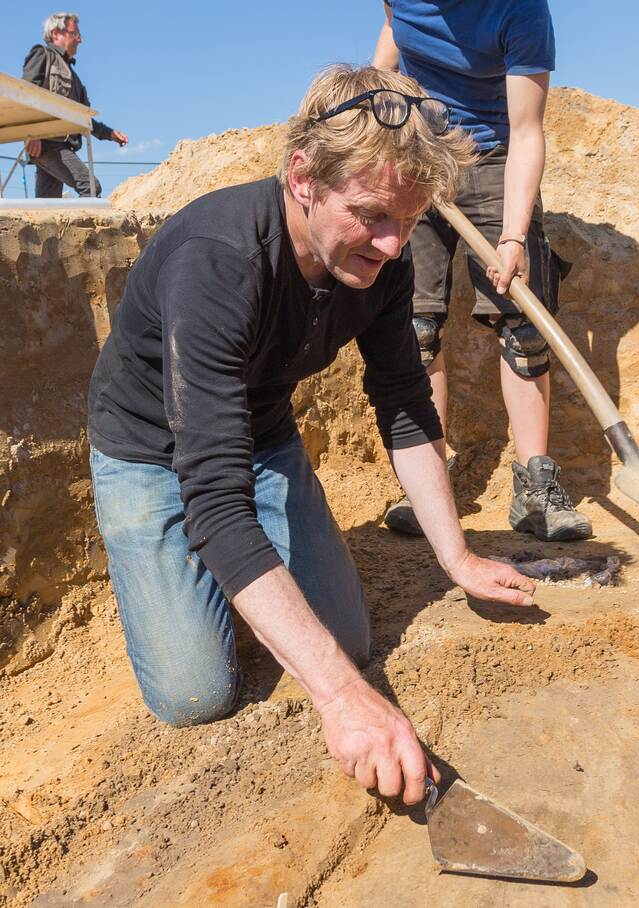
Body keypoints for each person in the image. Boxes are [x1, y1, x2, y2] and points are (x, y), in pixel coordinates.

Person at [87, 64, 536, 806]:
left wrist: (455, 555)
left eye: (409, 219)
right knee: (195, 696)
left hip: (258, 436)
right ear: (303, 176)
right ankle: (165, 565)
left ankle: (243, 583)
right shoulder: (219, 260)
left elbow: (402, 401)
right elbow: (216, 500)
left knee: (350, 643)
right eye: (370, 215)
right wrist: (342, 700)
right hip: (147, 452)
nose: (393, 246)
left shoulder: (380, 259)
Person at [374, 0, 593, 542]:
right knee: (415, 329)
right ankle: (429, 479)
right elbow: (389, 38)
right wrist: (386, 106)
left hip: (495, 155)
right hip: (416, 155)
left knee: (523, 326)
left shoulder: (519, 9)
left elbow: (526, 130)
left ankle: (535, 486)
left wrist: (514, 235)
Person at [22, 12, 128, 198]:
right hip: (46, 144)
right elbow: (26, 93)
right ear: (56, 33)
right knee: (91, 187)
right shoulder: (43, 55)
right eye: (74, 33)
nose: (79, 39)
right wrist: (32, 133)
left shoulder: (75, 79)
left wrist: (110, 134)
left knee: (48, 207)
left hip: (59, 146)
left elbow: (83, 119)